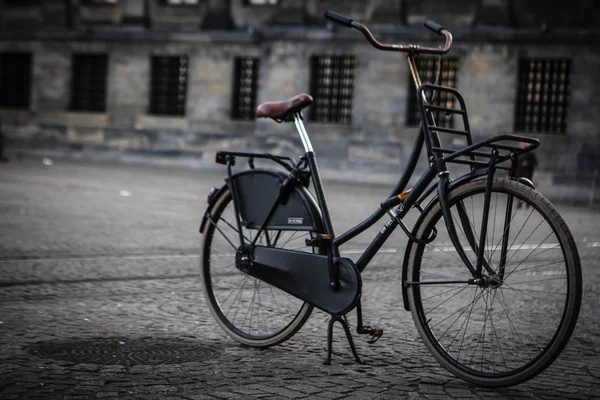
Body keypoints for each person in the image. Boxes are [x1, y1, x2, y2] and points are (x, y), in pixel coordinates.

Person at [515, 142, 537, 209]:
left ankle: (527, 203)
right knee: (518, 189)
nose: (523, 144)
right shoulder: (518, 153)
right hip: (519, 173)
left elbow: (535, 163)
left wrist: (528, 163)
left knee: (527, 188)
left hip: (527, 174)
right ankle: (520, 203)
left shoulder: (530, 154)